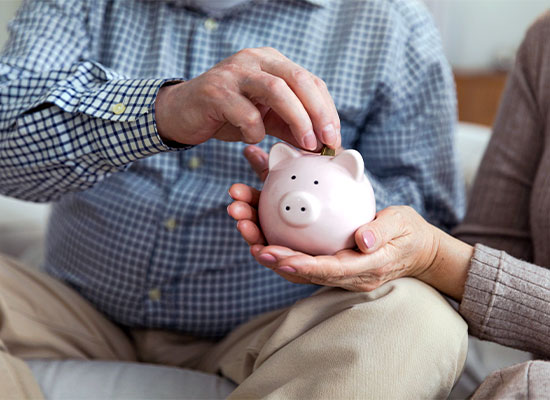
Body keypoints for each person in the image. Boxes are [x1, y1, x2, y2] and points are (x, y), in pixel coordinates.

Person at [0, 0, 467, 398]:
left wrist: (340, 206)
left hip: (274, 332)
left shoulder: (391, 23)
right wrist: (163, 111)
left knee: (420, 321)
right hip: (74, 308)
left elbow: (428, 217)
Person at [230, 10, 550, 398]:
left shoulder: (394, 23)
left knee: (438, 331)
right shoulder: (544, 42)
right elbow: (492, 244)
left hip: (291, 321)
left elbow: (443, 248)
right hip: (139, 315)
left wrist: (422, 249)